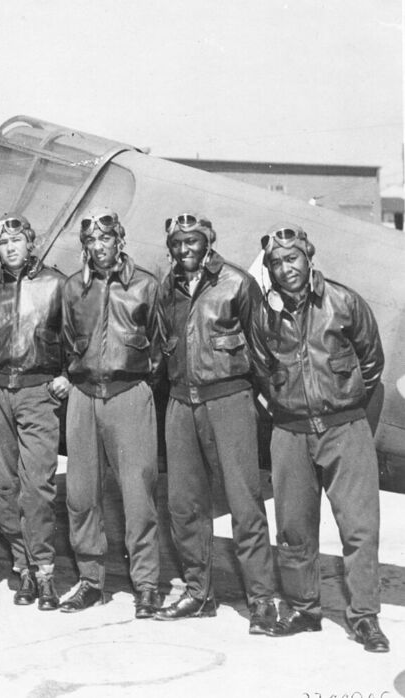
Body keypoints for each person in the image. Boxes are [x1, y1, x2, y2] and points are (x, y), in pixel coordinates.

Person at [251, 225, 388, 652]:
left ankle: (364, 618)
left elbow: (372, 361)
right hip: (290, 432)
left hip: (345, 429)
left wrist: (341, 403)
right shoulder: (263, 313)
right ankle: (304, 609)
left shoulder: (344, 301)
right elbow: (258, 368)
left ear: (309, 258)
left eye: (292, 258)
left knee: (359, 529)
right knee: (293, 529)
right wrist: (288, 408)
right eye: (276, 262)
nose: (285, 268)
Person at [154, 213, 277, 634]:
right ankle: (198, 592)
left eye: (193, 241)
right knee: (184, 505)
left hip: (228, 399)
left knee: (244, 502)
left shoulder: (237, 283)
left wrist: (266, 405)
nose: (185, 249)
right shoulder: (165, 288)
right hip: (180, 403)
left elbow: (262, 350)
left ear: (208, 242)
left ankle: (261, 600)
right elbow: (159, 347)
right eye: (178, 243)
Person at [59, 210, 164, 618]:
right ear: (84, 246)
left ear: (120, 240)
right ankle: (89, 581)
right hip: (84, 397)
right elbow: (68, 341)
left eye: (106, 238)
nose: (99, 247)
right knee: (81, 494)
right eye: (91, 241)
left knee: (138, 496)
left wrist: (134, 384)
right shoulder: (73, 289)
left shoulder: (145, 286)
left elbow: (160, 347)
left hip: (129, 394)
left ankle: (147, 585)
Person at [0, 214, 67, 611]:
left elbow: (77, 335)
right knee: (3, 488)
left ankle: (44, 570)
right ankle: (23, 568)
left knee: (38, 488)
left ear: (31, 243)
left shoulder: (56, 285)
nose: (11, 247)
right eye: (3, 242)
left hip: (37, 392)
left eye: (18, 240)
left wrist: (67, 374)